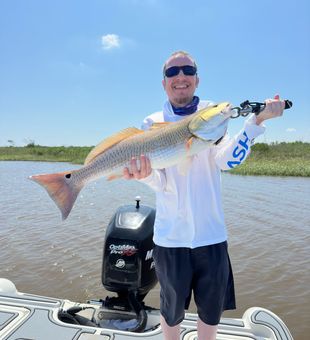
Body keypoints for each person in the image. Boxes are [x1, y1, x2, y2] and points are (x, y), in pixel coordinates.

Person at [123, 51, 285, 340]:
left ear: (197, 79)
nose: (180, 77)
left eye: (187, 70)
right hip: (170, 239)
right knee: (170, 309)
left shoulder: (214, 114)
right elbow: (160, 182)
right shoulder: (153, 122)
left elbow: (227, 161)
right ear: (164, 83)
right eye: (173, 72)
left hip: (212, 236)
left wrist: (255, 124)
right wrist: (143, 173)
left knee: (211, 309)